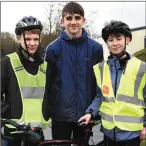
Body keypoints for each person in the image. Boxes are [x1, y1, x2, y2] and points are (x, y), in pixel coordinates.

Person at [43, 1, 103, 142]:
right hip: (60, 115)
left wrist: (93, 111)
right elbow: (47, 83)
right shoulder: (53, 49)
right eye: (69, 18)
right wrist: (50, 108)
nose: (73, 22)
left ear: (83, 20)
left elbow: (99, 83)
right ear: (62, 21)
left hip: (85, 114)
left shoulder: (95, 49)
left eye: (77, 17)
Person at [79, 20, 146, 146]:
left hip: (132, 134)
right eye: (110, 40)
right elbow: (100, 96)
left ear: (127, 40)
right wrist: (90, 113)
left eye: (118, 39)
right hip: (109, 132)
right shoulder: (100, 68)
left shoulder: (142, 68)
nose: (114, 43)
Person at [1, 16, 50, 146]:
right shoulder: (7, 62)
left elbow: (50, 95)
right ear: (18, 38)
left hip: (37, 133)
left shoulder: (45, 66)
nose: (32, 43)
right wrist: (8, 112)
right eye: (27, 39)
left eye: (35, 39)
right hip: (14, 133)